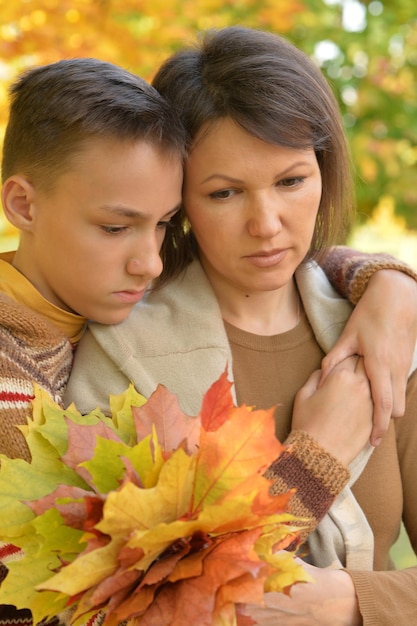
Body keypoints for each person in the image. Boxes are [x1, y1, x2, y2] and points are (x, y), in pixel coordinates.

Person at [65, 27, 417, 625]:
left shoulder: (384, 331)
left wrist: (356, 602)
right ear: (178, 200)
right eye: (225, 192)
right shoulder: (119, 354)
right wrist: (314, 462)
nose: (266, 223)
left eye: (291, 181)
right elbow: (122, 606)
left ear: (325, 172)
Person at [0, 56, 187, 626]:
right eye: (115, 227)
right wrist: (317, 459)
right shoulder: (10, 394)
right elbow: (131, 606)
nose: (151, 261)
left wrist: (383, 280)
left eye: (164, 223)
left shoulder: (113, 303)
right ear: (23, 205)